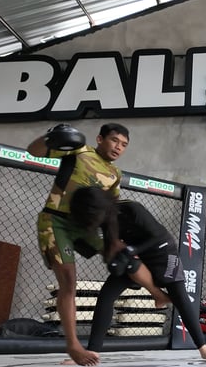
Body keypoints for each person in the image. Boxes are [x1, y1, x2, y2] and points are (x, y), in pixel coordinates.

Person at [27, 123, 170, 366]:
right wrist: (50, 137)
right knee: (69, 281)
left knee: (126, 257)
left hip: (86, 226)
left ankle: (159, 295)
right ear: (100, 139)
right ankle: (74, 346)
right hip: (56, 221)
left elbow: (110, 212)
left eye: (124, 145)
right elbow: (34, 151)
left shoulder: (115, 174)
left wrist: (114, 241)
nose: (118, 147)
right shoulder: (79, 150)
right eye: (114, 141)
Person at [67, 186, 206, 363]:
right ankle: (93, 352)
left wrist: (132, 250)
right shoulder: (103, 221)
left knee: (180, 297)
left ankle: (204, 349)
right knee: (106, 294)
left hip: (162, 252)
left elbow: (159, 237)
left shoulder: (131, 208)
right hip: (137, 258)